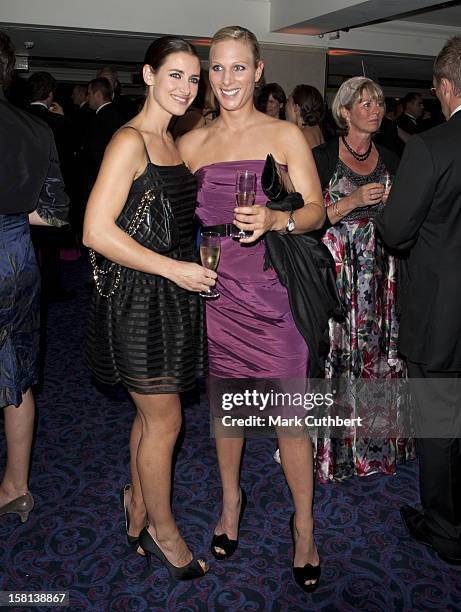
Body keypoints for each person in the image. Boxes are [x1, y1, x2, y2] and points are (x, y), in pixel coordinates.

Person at [179, 25, 325, 592]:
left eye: (239, 67)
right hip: (217, 295)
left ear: (259, 70)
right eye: (217, 68)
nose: (227, 79)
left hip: (274, 294)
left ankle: (305, 526)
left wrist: (275, 219)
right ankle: (231, 502)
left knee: (290, 419)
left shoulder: (285, 134)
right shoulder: (192, 141)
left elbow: (316, 211)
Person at [83, 36, 216, 581]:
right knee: (167, 420)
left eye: (192, 78)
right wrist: (173, 268)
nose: (185, 88)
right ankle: (163, 531)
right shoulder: (130, 141)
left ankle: (137, 505)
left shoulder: (171, 140)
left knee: (150, 416)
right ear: (148, 75)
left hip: (170, 297)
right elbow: (94, 231)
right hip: (138, 300)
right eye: (174, 76)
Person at [376, 36, 461, 566]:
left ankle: (447, 529)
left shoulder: (430, 147)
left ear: (447, 86)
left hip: (443, 317)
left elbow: (395, 233)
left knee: (440, 426)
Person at [312, 77, 413, 482]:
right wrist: (353, 200)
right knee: (339, 357)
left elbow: (407, 219)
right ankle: (335, 452)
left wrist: (394, 206)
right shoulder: (321, 156)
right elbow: (308, 220)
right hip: (339, 275)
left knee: (377, 358)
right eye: (365, 103)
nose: (375, 110)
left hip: (382, 273)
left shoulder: (392, 155)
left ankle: (375, 449)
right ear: (345, 111)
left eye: (378, 103)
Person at [0, 32, 69, 522]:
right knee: (17, 371)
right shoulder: (35, 127)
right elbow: (56, 214)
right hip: (15, 260)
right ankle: (16, 487)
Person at [285, 84, 325, 149]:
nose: (285, 106)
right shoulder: (316, 130)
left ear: (296, 108)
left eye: (288, 101)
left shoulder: (301, 137)